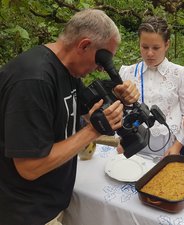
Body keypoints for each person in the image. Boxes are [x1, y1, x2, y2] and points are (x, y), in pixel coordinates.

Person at [0, 9, 139, 225]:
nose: (100, 69)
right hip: (28, 213)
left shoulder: (66, 70)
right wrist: (92, 131)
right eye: (100, 61)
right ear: (83, 45)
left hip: (53, 203)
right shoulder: (33, 81)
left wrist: (117, 96)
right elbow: (29, 167)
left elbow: (85, 112)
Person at [117, 16, 184, 157]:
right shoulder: (127, 72)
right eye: (144, 47)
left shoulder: (180, 73)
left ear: (167, 45)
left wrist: (177, 146)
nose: (149, 53)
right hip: (135, 144)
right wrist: (122, 139)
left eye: (156, 48)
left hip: (169, 146)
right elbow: (120, 111)